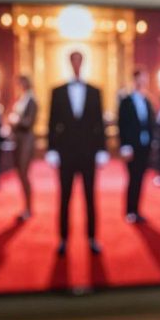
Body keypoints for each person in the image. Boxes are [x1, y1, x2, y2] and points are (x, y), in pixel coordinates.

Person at [48, 50, 106, 255]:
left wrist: (102, 149)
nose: (76, 64)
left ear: (83, 63)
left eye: (79, 60)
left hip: (89, 153)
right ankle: (63, 239)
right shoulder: (58, 91)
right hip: (66, 153)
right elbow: (52, 123)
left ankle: (92, 238)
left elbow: (99, 123)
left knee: (90, 197)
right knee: (64, 198)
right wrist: (52, 149)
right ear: (69, 63)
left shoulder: (94, 91)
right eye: (73, 61)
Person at [117, 69, 154, 224]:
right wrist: (125, 146)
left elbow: (150, 124)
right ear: (135, 79)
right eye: (141, 78)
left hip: (144, 146)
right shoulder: (126, 101)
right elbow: (122, 124)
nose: (144, 81)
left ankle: (137, 210)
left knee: (140, 179)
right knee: (132, 178)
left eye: (146, 78)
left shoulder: (147, 101)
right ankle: (130, 210)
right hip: (131, 146)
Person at [8, 74, 38, 220]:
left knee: (24, 173)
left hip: (26, 140)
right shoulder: (22, 99)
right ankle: (26, 206)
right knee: (20, 173)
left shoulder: (32, 100)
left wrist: (16, 121)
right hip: (18, 139)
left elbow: (28, 122)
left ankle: (28, 208)